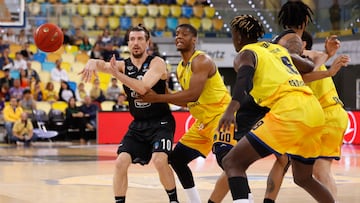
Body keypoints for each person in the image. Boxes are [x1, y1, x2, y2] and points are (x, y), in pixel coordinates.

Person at [219, 14, 334, 202]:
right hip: (314, 110)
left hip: (289, 110)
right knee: (303, 178)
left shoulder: (246, 53)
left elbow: (244, 80)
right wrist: (292, 56)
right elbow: (308, 66)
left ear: (238, 37)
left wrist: (231, 109)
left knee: (232, 162)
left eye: (233, 35)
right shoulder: (277, 50)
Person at [80, 24, 179, 203]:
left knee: (159, 160)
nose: (136, 43)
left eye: (140, 39)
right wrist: (92, 62)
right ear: (128, 43)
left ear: (148, 42)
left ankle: (173, 200)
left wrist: (116, 74)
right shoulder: (123, 65)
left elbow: (142, 88)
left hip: (161, 122)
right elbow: (102, 64)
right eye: (132, 39)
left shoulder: (157, 63)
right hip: (139, 124)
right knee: (120, 162)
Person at [141, 24, 232, 203]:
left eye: (184, 34)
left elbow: (193, 94)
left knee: (229, 162)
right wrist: (163, 89)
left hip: (222, 117)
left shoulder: (201, 61)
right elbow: (186, 101)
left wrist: (158, 97)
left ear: (194, 39)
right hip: (203, 122)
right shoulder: (181, 68)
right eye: (176, 34)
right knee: (176, 159)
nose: (179, 37)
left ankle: (246, 199)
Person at [264, 32, 350, 203]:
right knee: (294, 167)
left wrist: (327, 57)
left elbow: (306, 74)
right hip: (316, 118)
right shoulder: (307, 60)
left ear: (302, 44)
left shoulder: (307, 59)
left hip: (328, 115)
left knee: (320, 170)